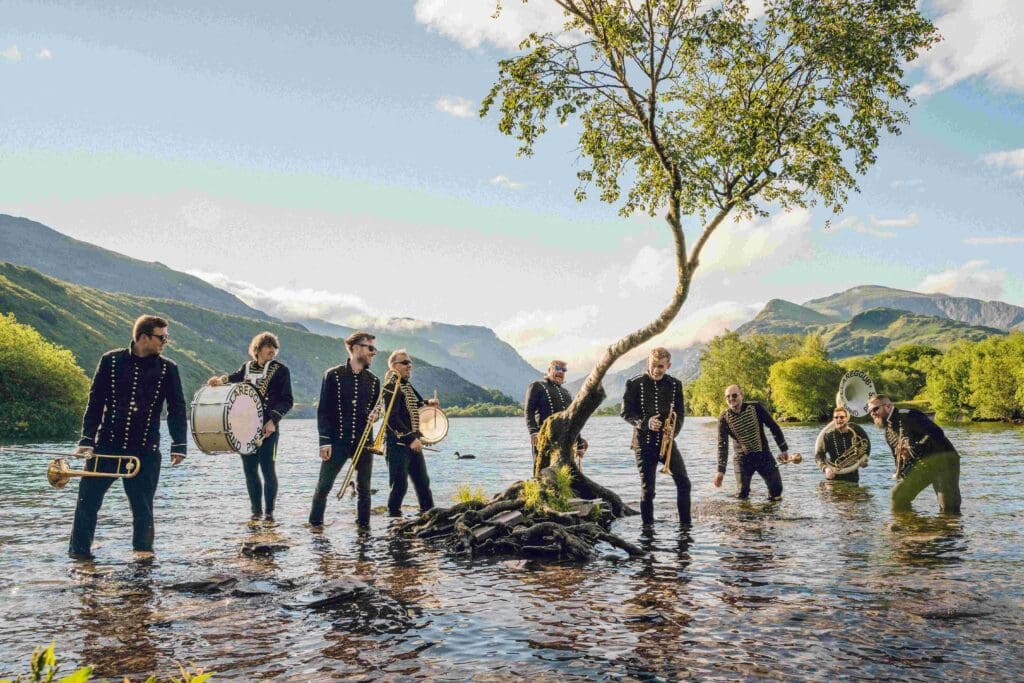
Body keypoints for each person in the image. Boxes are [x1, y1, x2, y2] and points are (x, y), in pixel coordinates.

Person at [69, 315, 187, 560]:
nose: (166, 341)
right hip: (106, 446)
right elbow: (95, 402)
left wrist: (179, 443)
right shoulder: (110, 361)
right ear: (144, 337)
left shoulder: (168, 368)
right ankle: (79, 559)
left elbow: (177, 408)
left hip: (144, 450)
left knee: (143, 509)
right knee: (86, 503)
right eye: (162, 337)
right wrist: (86, 439)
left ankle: (143, 562)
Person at [207, 331, 294, 523]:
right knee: (249, 470)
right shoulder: (246, 368)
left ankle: (269, 514)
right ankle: (256, 512)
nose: (272, 350)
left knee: (268, 469)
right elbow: (234, 378)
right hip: (244, 429)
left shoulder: (281, 370)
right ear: (258, 349)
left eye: (274, 346)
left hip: (268, 428)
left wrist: (273, 421)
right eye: (267, 346)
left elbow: (287, 400)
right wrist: (219, 381)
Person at [309, 331, 381, 529]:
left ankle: (364, 532)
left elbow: (376, 409)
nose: (374, 353)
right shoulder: (333, 375)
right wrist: (324, 441)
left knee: (364, 490)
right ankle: (315, 529)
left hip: (364, 443)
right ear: (356, 348)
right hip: (337, 441)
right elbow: (323, 410)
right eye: (371, 348)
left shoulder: (374, 381)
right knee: (323, 487)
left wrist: (376, 415)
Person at [621, 348, 691, 526]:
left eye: (661, 366)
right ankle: (648, 530)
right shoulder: (634, 383)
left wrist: (673, 432)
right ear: (648, 362)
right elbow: (625, 413)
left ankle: (686, 526)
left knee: (684, 483)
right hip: (643, 444)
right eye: (654, 365)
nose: (657, 369)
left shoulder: (675, 384)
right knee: (648, 490)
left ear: (668, 365)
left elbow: (680, 413)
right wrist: (646, 423)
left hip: (667, 443)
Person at [867, 395, 961, 514]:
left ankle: (950, 529)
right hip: (923, 466)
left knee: (948, 506)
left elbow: (938, 433)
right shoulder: (888, 432)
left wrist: (913, 449)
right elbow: (898, 460)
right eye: (870, 411)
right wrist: (902, 471)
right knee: (898, 495)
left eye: (875, 409)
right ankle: (911, 527)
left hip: (943, 461)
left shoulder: (908, 415)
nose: (872, 414)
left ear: (888, 406)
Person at [382, 349, 440, 517]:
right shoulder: (391, 385)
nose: (409, 366)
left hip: (412, 443)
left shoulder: (405, 384)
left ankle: (430, 517)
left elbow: (412, 406)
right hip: (398, 444)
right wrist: (410, 439)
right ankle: (393, 521)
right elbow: (390, 418)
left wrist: (428, 403)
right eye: (405, 363)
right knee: (400, 486)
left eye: (410, 363)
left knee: (423, 483)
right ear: (394, 366)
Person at [715, 384, 791, 500]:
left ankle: (772, 514)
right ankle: (744, 515)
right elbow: (722, 445)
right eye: (728, 397)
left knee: (777, 489)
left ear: (741, 396)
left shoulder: (755, 408)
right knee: (742, 493)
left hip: (763, 455)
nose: (731, 399)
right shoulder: (724, 418)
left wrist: (783, 449)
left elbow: (773, 426)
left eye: (734, 395)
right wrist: (720, 471)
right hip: (742, 459)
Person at [525, 359, 588, 477]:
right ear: (549, 370)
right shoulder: (537, 386)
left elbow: (573, 420)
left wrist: (579, 443)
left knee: (565, 471)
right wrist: (533, 432)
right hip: (543, 437)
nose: (561, 372)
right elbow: (529, 411)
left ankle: (563, 492)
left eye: (564, 370)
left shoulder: (566, 393)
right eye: (557, 368)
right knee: (542, 470)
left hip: (565, 439)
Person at [814, 405, 870, 483]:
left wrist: (863, 460)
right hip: (834, 476)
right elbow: (818, 456)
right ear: (833, 419)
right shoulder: (828, 436)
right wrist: (825, 468)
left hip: (853, 476)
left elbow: (866, 446)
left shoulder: (855, 432)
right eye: (836, 417)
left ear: (847, 418)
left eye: (841, 417)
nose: (839, 419)